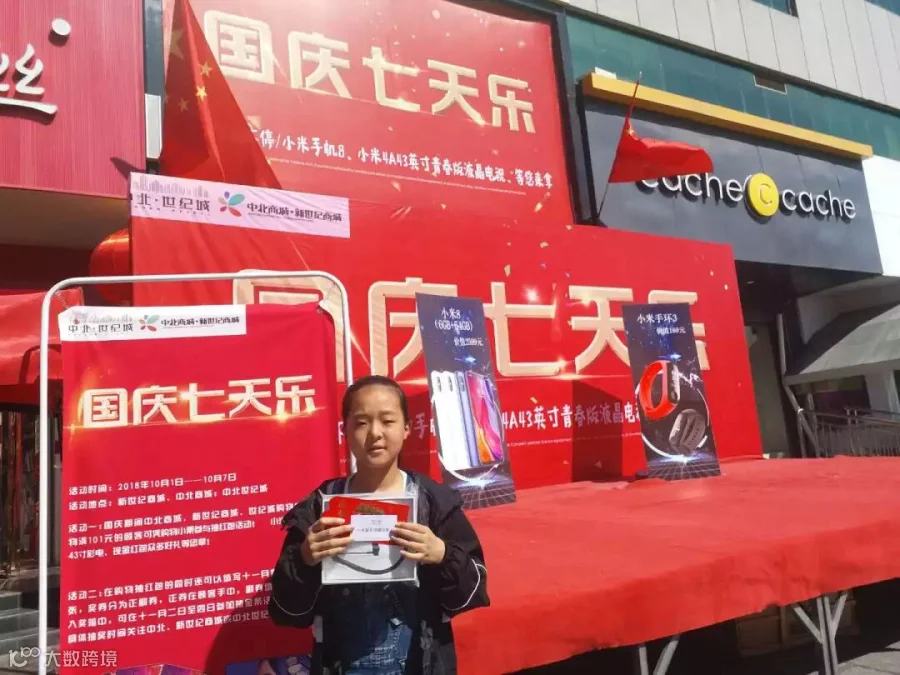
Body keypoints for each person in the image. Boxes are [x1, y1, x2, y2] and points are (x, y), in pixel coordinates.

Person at [269, 375, 489, 675]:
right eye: (361, 422)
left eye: (387, 421)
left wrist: (442, 554)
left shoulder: (434, 502)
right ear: (345, 430)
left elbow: (473, 591)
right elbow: (287, 612)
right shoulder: (321, 505)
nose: (375, 433)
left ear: (407, 427)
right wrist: (305, 559)